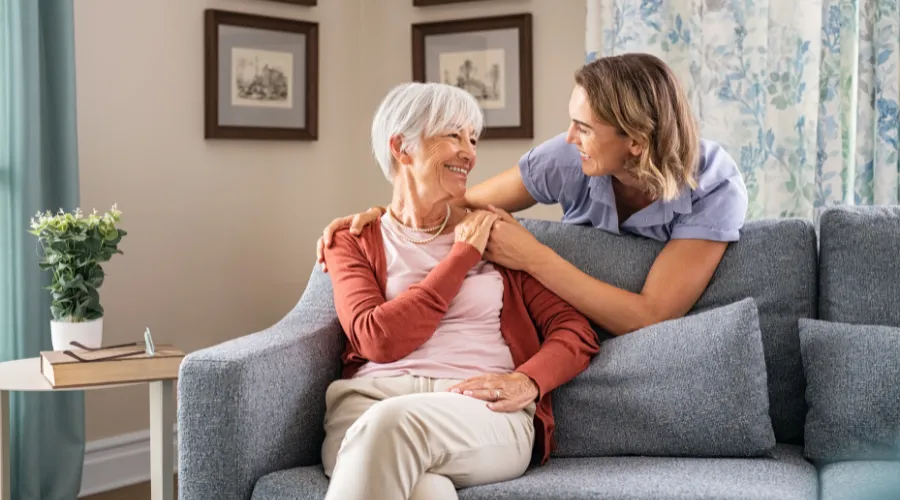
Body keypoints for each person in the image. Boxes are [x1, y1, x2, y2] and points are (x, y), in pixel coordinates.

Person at [317, 52, 749, 337]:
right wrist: (385, 215)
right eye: (571, 121)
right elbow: (456, 205)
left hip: (648, 342)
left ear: (635, 141)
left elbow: (653, 316)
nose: (568, 136)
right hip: (566, 327)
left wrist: (531, 255)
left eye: (584, 127)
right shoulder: (566, 157)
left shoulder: (713, 184)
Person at [319, 81, 600, 500]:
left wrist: (528, 381)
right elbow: (377, 339)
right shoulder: (354, 239)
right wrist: (461, 258)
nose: (469, 152)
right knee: (427, 491)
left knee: (392, 426)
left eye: (473, 138)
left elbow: (575, 331)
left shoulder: (496, 234)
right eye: (453, 135)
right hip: (370, 402)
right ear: (402, 147)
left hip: (478, 409)